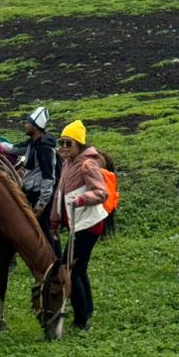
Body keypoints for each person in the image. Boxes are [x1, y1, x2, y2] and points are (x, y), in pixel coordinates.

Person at [50, 120, 108, 332]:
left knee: (70, 270)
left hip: (89, 225)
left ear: (79, 144)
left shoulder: (87, 164)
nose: (64, 147)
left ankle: (82, 321)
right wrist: (55, 220)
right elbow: (59, 194)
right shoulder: (67, 163)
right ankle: (87, 311)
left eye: (69, 143)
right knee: (79, 269)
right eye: (62, 142)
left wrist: (83, 199)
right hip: (77, 225)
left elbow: (102, 192)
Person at [12, 106, 59, 247]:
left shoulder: (44, 148)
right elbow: (13, 148)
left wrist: (41, 204)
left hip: (41, 195)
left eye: (28, 123)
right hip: (32, 192)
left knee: (47, 231)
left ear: (36, 127)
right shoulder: (32, 143)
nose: (25, 125)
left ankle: (56, 258)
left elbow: (48, 177)